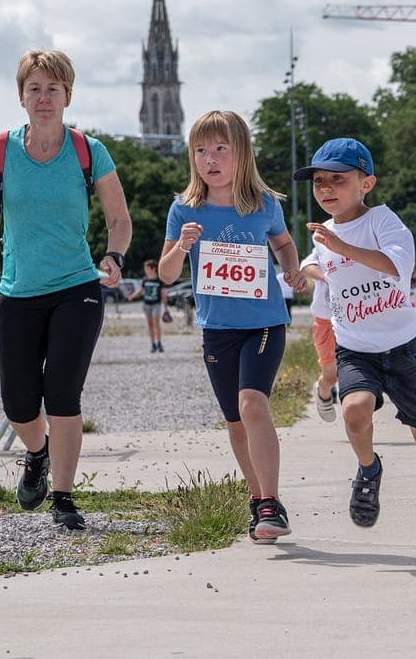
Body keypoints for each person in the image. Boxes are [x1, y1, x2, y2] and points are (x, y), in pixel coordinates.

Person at [0, 50, 132, 530]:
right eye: (34, 89)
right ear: (21, 96)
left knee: (63, 394)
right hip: (17, 291)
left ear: (68, 95)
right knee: (19, 405)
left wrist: (113, 256)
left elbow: (118, 218)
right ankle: (38, 452)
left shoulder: (89, 150)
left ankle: (64, 498)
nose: (43, 98)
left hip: (77, 288)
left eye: (53, 89)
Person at [294, 137, 416, 555]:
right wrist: (304, 271)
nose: (326, 188)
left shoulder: (383, 221)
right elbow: (312, 263)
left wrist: (342, 249)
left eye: (338, 179)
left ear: (367, 183)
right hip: (354, 349)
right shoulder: (324, 235)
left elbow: (396, 265)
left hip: (401, 350)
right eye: (319, 181)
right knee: (355, 409)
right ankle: (368, 470)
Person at [158, 110, 305, 544]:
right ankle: (257, 500)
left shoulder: (264, 204)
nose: (211, 159)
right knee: (236, 421)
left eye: (221, 149)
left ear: (242, 153)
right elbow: (166, 273)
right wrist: (182, 246)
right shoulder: (184, 208)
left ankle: (272, 502)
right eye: (201, 150)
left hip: (264, 323)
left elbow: (283, 242)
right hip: (217, 328)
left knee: (252, 404)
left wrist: (291, 268)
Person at [301, 251, 339, 422]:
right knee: (332, 375)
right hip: (326, 320)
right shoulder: (324, 244)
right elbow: (306, 267)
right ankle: (323, 388)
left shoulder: (364, 242)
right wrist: (326, 277)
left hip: (356, 319)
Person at [129, 259, 165, 353]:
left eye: (147, 268)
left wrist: (166, 307)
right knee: (150, 324)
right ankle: (153, 344)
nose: (145, 270)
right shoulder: (145, 280)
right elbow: (141, 290)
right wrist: (132, 296)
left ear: (153, 269)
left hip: (156, 304)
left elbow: (163, 293)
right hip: (147, 304)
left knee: (156, 322)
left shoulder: (159, 280)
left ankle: (159, 343)